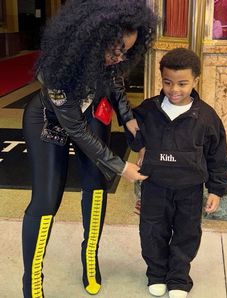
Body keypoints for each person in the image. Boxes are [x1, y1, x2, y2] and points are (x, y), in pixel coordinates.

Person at [21, 0, 156, 297]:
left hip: (91, 112)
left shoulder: (112, 60)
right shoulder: (55, 67)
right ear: (91, 36)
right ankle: (31, 281)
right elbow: (77, 131)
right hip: (48, 120)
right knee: (45, 202)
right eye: (114, 49)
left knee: (96, 187)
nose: (119, 57)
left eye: (126, 51)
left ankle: (89, 258)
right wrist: (121, 167)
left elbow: (114, 86)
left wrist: (130, 120)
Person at [126, 48, 227, 298]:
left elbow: (217, 155)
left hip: (190, 190)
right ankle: (156, 274)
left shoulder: (206, 117)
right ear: (161, 79)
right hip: (155, 186)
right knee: (152, 232)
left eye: (183, 83)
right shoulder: (149, 110)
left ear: (195, 80)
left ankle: (179, 278)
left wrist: (217, 189)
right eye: (168, 82)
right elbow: (131, 126)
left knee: (187, 234)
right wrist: (140, 145)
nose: (175, 90)